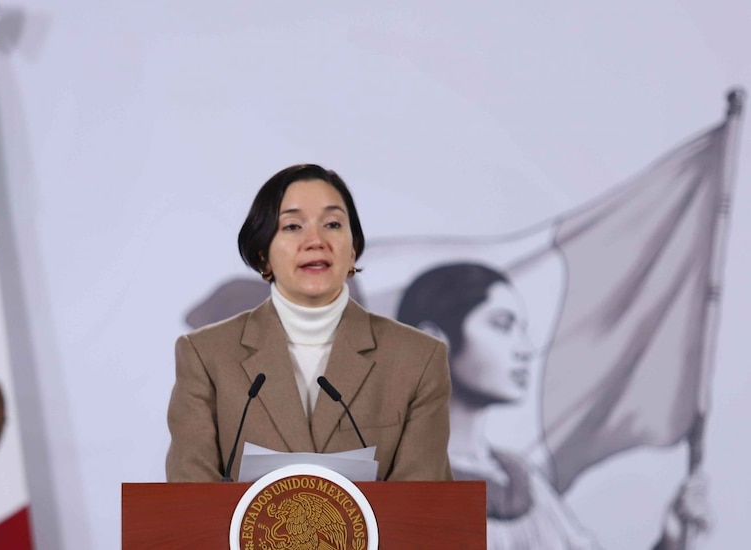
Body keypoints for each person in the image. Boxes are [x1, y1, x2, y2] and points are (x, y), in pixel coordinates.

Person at [165, 164, 453, 482]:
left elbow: (425, 507)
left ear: (353, 247)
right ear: (263, 253)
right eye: (292, 226)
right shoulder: (206, 356)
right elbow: (190, 497)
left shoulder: (419, 358)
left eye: (332, 224)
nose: (315, 240)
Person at [396, 262, 708, 550]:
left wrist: (671, 539)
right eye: (502, 325)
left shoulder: (522, 480)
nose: (526, 349)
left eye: (522, 328)